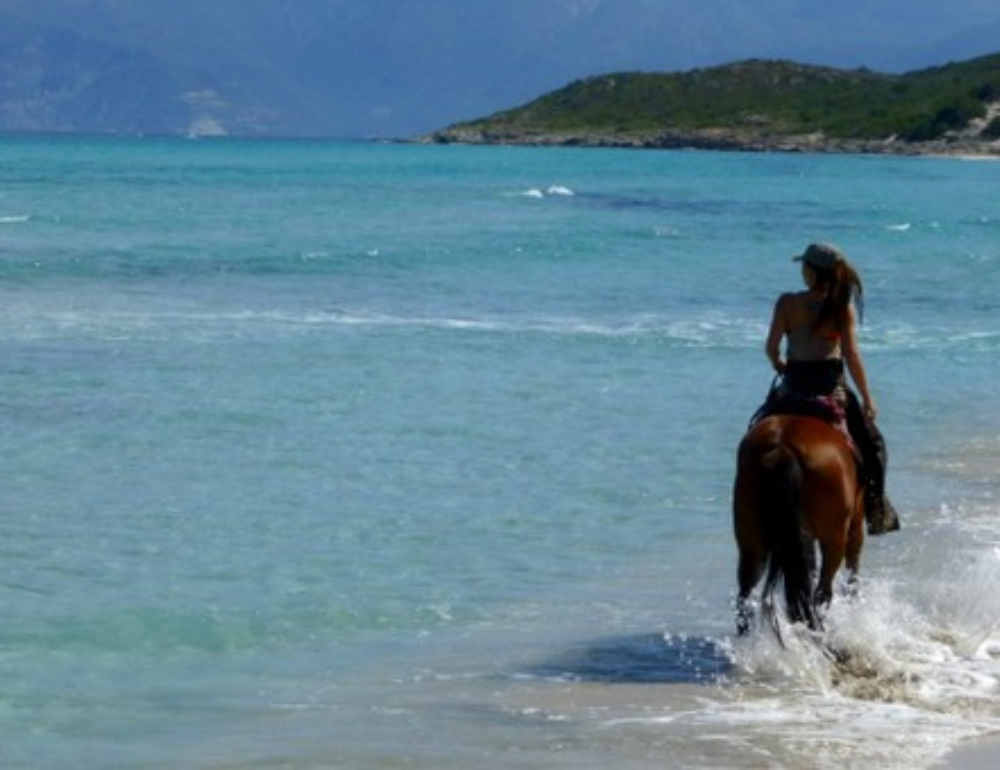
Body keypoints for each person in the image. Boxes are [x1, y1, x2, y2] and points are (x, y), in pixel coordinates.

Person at [761, 242, 900, 535]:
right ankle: (876, 510)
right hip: (830, 390)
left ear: (811, 272)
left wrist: (779, 364)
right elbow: (851, 356)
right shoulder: (841, 309)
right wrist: (867, 398)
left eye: (804, 267)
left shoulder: (787, 303)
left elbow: (771, 348)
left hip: (792, 388)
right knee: (874, 446)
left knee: (757, 434)